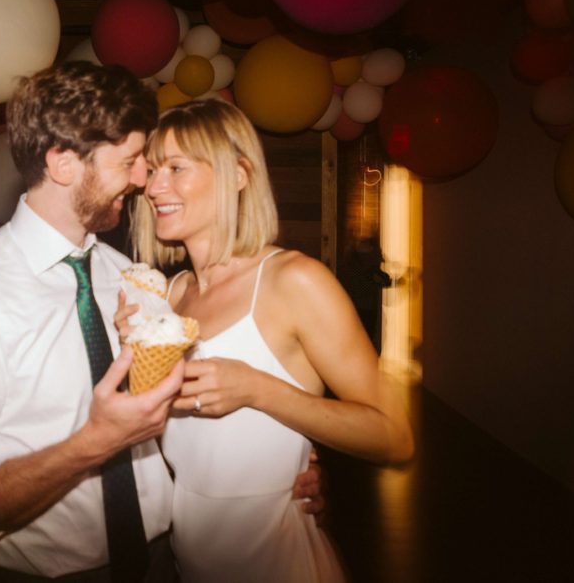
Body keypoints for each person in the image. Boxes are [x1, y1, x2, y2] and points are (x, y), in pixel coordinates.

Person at [0, 62, 322, 582]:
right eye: (130, 162)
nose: (144, 180)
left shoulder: (130, 278)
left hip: (166, 562)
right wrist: (91, 444)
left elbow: (170, 412)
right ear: (62, 164)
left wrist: (278, 467)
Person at [123, 98, 415, 582]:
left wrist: (259, 390)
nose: (153, 187)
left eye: (175, 167)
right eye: (152, 171)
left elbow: (394, 437)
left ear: (239, 174)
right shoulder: (170, 296)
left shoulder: (293, 281)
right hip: (190, 561)